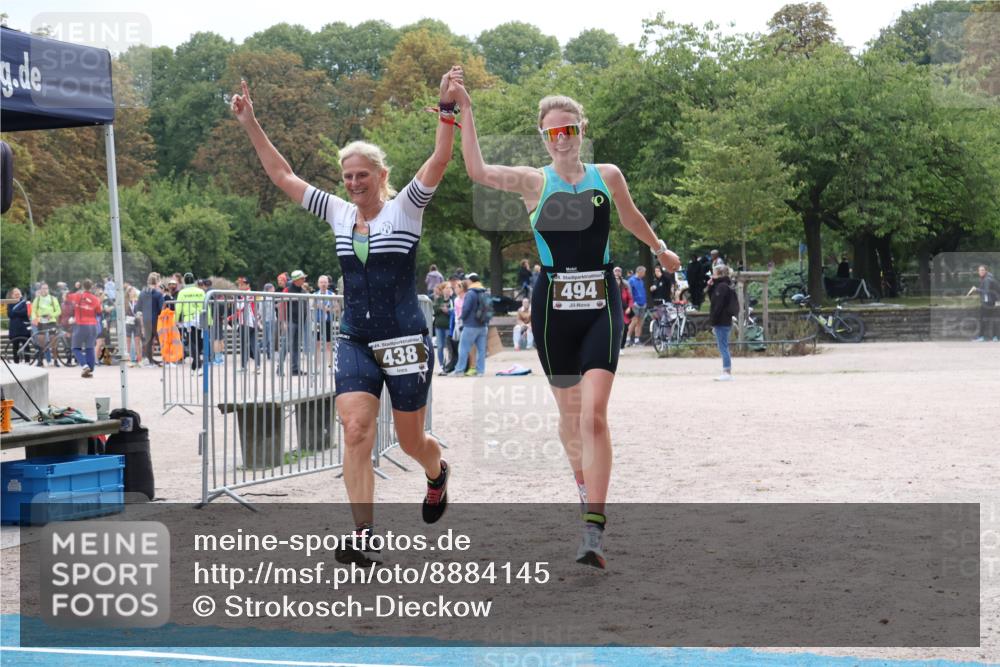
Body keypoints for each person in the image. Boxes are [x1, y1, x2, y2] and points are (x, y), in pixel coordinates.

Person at [231, 66, 460, 564]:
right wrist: (251, 123)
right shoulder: (336, 211)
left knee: (408, 439)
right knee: (355, 429)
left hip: (404, 338)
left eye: (363, 174)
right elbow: (283, 175)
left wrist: (447, 108)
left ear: (380, 175)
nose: (354, 182)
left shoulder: (407, 208)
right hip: (356, 335)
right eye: (348, 176)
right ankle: (364, 534)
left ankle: (437, 472)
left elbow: (441, 157)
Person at [454, 83, 681, 568]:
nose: (562, 137)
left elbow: (633, 217)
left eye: (570, 129)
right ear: (543, 136)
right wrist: (465, 111)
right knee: (571, 418)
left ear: (582, 131)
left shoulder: (608, 175)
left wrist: (660, 249)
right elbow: (476, 170)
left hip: (600, 303)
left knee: (594, 414)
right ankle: (584, 490)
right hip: (554, 310)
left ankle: (594, 530)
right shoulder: (533, 183)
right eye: (553, 131)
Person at [450, 272, 488, 377]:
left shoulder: (470, 293)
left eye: (467, 279)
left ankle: (459, 370)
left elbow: (466, 309)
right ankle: (481, 371)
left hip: (470, 325)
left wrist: (462, 318)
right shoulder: (485, 291)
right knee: (481, 350)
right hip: (483, 326)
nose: (466, 281)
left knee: (463, 348)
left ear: (471, 281)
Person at [708, 264, 738, 381]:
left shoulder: (722, 287)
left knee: (723, 346)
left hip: (722, 320)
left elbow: (717, 305)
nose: (712, 275)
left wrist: (713, 321)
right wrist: (710, 287)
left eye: (714, 273)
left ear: (719, 274)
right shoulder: (722, 286)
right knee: (723, 345)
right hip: (724, 320)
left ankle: (727, 371)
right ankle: (726, 371)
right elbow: (713, 299)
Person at [67, 279, 102, 377]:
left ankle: (85, 365)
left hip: (81, 325)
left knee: (75, 348)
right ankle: (90, 369)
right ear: (92, 287)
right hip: (93, 326)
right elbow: (99, 312)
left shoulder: (78, 296)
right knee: (90, 348)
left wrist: (75, 288)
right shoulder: (96, 299)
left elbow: (67, 296)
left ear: (82, 287)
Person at [175, 273, 207, 372]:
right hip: (200, 318)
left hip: (189, 319)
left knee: (192, 342)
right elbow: (206, 306)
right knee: (199, 342)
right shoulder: (201, 291)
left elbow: (178, 307)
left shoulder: (182, 292)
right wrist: (209, 320)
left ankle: (199, 365)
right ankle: (195, 367)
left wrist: (176, 319)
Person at [30, 282, 61, 366]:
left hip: (51, 321)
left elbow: (58, 311)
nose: (44, 290)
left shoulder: (53, 298)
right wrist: (34, 319)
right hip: (41, 321)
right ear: (40, 290)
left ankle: (55, 360)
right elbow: (33, 311)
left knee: (53, 340)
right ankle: (40, 360)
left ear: (48, 289)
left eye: (46, 288)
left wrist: (51, 315)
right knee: (41, 341)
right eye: (43, 288)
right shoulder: (37, 299)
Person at [967, 264, 1000, 342]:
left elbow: (987, 291)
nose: (980, 272)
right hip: (994, 302)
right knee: (994, 320)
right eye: (979, 270)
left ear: (986, 271)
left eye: (982, 270)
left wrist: (976, 289)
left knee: (983, 320)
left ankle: (981, 337)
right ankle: (996, 337)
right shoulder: (990, 278)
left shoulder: (987, 279)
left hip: (988, 303)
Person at [138, 272, 164, 367]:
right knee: (161, 340)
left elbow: (138, 308)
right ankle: (167, 359)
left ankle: (148, 360)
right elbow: (162, 309)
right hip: (156, 320)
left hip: (145, 320)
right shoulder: (158, 294)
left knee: (148, 341)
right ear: (157, 282)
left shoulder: (142, 294)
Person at [315, 274, 336, 368]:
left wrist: (328, 309)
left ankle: (330, 364)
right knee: (317, 343)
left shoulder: (332, 295)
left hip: (328, 321)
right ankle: (317, 366)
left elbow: (336, 308)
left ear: (328, 284)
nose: (323, 284)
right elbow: (311, 306)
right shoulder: (315, 295)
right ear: (318, 284)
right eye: (321, 282)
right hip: (318, 322)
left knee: (329, 343)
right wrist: (319, 306)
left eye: (325, 282)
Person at [6, 288, 31, 363]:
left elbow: (25, 312)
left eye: (18, 293)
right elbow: (10, 314)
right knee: (15, 347)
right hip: (14, 329)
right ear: (12, 295)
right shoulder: (10, 303)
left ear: (21, 294)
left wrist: (15, 312)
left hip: (24, 328)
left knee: (26, 346)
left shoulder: (25, 302)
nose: (17, 295)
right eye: (15, 294)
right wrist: (19, 312)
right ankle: (16, 363)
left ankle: (27, 361)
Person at [431, 282, 452, 367]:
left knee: (449, 347)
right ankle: (441, 365)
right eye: (446, 288)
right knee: (440, 347)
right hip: (439, 327)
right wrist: (441, 309)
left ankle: (449, 364)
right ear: (442, 290)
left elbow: (455, 312)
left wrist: (448, 311)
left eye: (449, 288)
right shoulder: (438, 300)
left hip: (448, 326)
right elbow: (434, 311)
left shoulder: (452, 300)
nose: (447, 290)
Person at [626, 265, 647, 346]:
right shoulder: (631, 280)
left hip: (642, 303)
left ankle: (636, 340)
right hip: (635, 304)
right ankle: (627, 339)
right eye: (644, 272)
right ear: (640, 272)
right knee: (634, 321)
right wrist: (632, 303)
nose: (644, 274)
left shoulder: (641, 281)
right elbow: (629, 292)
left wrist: (645, 302)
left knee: (640, 322)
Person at [614, 267, 633, 350]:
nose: (617, 273)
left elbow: (630, 298)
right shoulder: (609, 284)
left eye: (619, 271)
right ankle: (615, 346)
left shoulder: (625, 285)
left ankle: (621, 346)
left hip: (624, 310)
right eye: (616, 271)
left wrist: (629, 307)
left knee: (625, 328)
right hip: (614, 310)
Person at [125, 286, 144, 367]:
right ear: (128, 293)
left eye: (133, 291)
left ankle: (139, 360)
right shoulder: (125, 302)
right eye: (131, 291)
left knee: (137, 342)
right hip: (128, 322)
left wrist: (142, 326)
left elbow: (141, 312)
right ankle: (128, 361)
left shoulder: (138, 301)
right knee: (128, 343)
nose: (132, 292)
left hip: (136, 323)